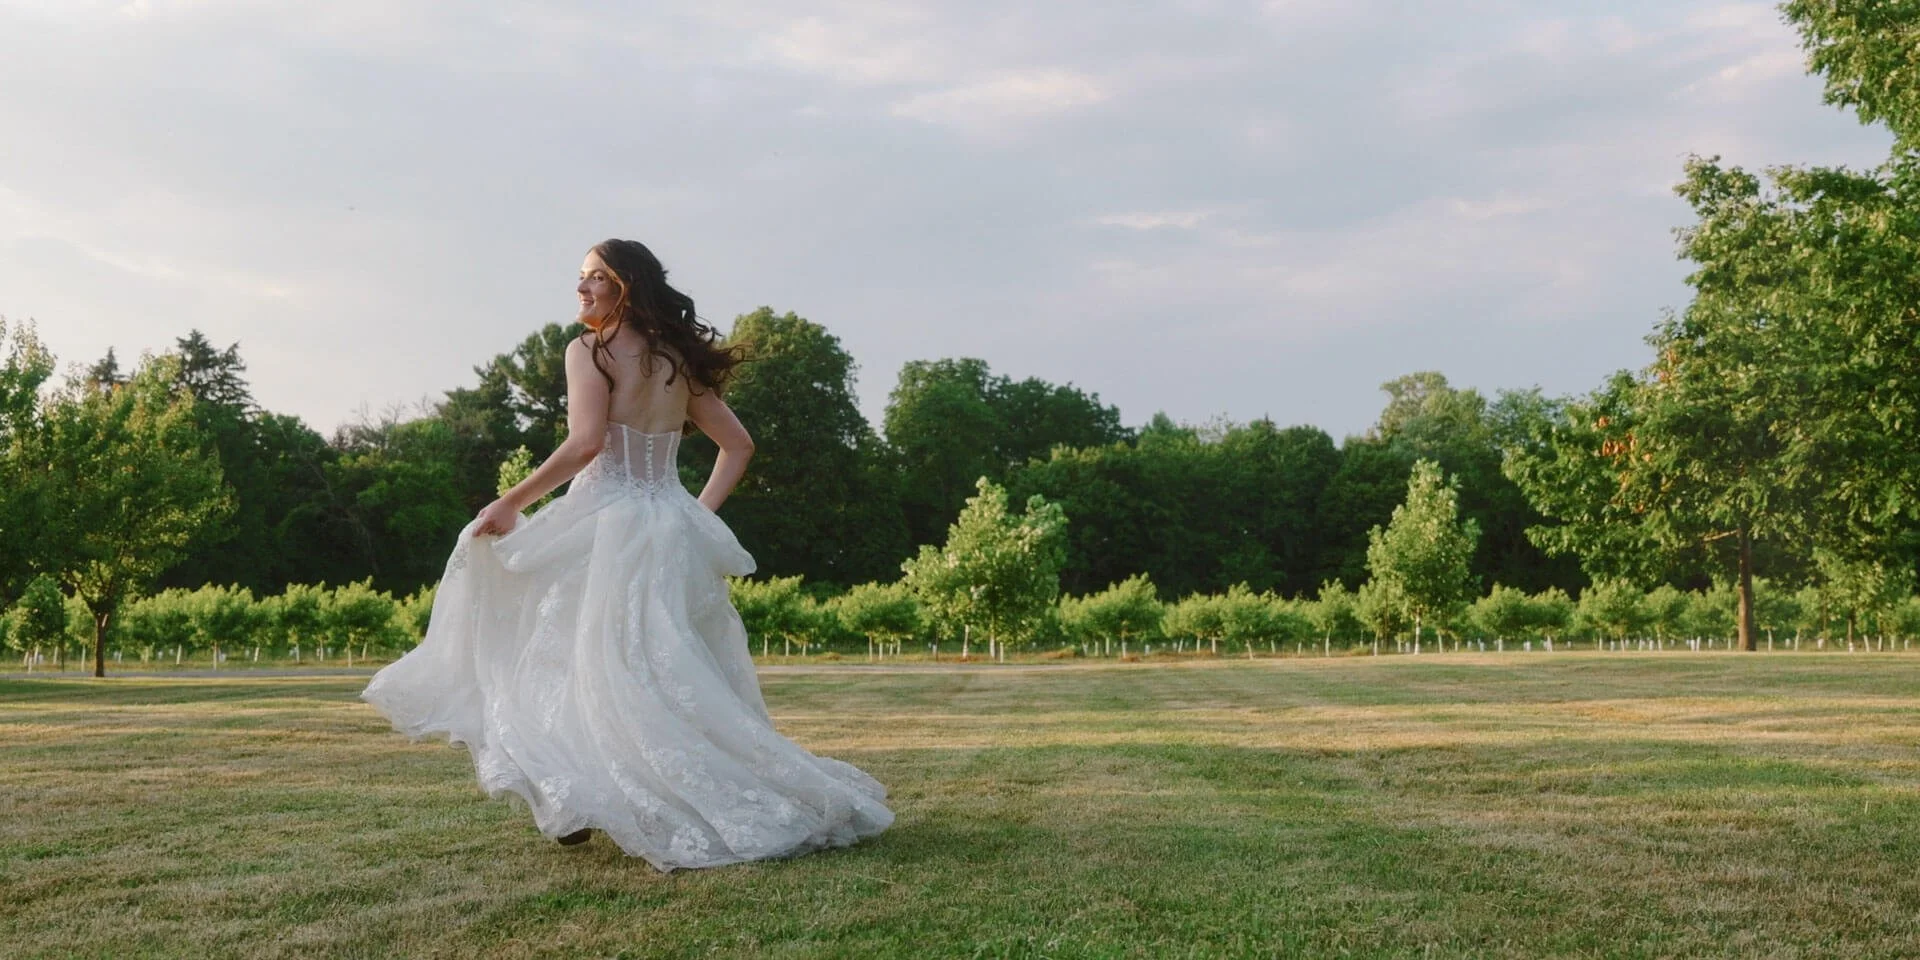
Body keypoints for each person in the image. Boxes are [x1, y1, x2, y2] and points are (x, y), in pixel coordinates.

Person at [362, 239, 893, 871]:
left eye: (595, 279)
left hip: (605, 520)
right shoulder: (674, 359)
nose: (581, 289)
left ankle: (570, 793)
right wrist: (695, 515)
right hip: (667, 525)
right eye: (581, 278)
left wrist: (510, 501)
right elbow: (739, 446)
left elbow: (587, 443)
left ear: (626, 288)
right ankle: (581, 794)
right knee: (655, 665)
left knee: (554, 649)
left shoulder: (589, 350)